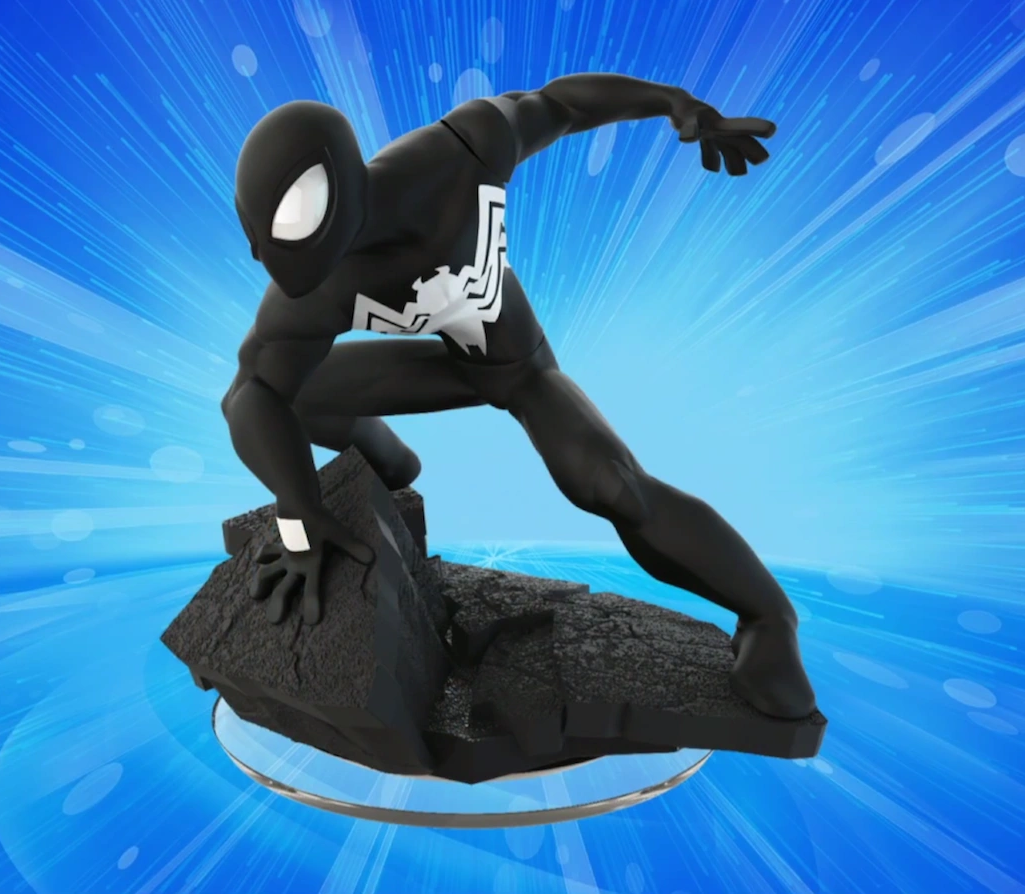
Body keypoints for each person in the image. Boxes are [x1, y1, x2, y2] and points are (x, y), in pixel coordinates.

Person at [224, 73, 817, 721]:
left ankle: (769, 617)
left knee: (613, 486)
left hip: (514, 365)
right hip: (442, 366)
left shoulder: (460, 155)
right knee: (287, 397)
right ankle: (386, 462)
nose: (287, 252)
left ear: (343, 181)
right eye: (268, 234)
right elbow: (251, 396)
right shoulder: (308, 297)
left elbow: (559, 105)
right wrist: (300, 519)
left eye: (300, 213)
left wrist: (675, 103)